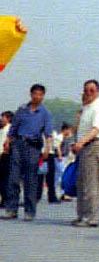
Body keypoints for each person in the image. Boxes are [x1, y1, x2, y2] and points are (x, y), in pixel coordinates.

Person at [2, 84, 53, 221]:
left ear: (43, 96)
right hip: (18, 145)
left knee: (31, 180)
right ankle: (11, 209)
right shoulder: (22, 110)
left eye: (40, 94)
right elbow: (13, 128)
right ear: (31, 94)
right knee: (13, 177)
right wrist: (7, 141)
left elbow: (48, 133)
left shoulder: (45, 113)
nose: (37, 96)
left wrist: (48, 148)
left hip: (33, 147)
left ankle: (30, 211)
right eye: (35, 93)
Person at [71, 80, 99, 227]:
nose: (88, 93)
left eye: (92, 90)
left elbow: (96, 129)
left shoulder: (98, 107)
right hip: (84, 147)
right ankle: (82, 214)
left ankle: (91, 217)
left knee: (91, 183)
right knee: (82, 182)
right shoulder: (87, 107)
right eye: (86, 90)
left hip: (93, 145)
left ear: (98, 91)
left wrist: (81, 142)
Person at [0, 111, 14, 207]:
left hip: (5, 156)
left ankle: (5, 199)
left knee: (4, 179)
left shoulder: (9, 129)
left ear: (8, 118)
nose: (1, 119)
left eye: (3, 117)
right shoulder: (3, 129)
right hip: (3, 155)